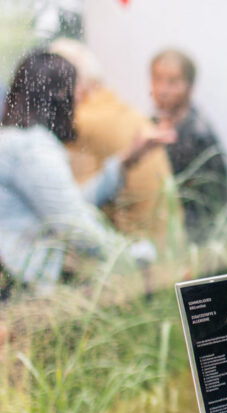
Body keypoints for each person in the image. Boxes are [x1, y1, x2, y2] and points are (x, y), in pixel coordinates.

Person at [0, 52, 169, 295]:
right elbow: (74, 224)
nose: (82, 96)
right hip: (25, 286)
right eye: (76, 87)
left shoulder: (15, 140)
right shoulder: (31, 148)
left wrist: (126, 160)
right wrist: (131, 257)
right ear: (59, 93)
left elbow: (67, 204)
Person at [49, 38, 178, 244]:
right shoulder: (118, 108)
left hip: (135, 258)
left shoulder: (79, 122)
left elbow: (66, 208)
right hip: (168, 246)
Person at [150, 48, 227, 242]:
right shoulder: (150, 127)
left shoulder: (199, 135)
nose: (163, 90)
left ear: (190, 86)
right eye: (157, 79)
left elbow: (217, 200)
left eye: (172, 82)